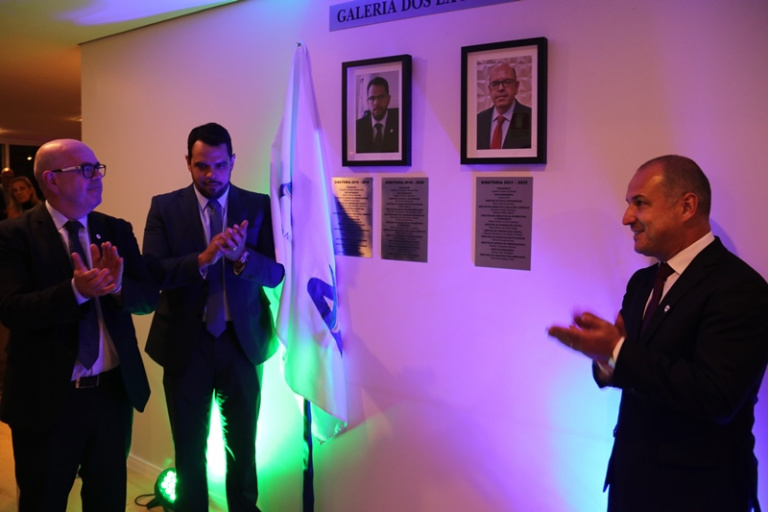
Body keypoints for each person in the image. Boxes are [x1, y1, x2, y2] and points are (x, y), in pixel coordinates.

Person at [547, 155, 768, 512]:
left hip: (699, 497)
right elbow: (635, 372)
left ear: (687, 207)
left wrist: (618, 350)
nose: (626, 218)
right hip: (630, 488)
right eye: (628, 204)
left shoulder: (740, 288)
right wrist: (605, 359)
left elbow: (716, 397)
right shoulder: (642, 282)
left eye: (640, 203)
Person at [0, 139, 158, 511]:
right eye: (85, 170)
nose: (97, 176)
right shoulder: (12, 236)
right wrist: (75, 292)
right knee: (44, 500)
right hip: (47, 400)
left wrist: (117, 287)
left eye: (97, 168)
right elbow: (12, 310)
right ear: (51, 180)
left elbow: (148, 298)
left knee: (107, 500)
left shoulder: (116, 229)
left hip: (111, 395)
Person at [143, 122, 285, 512]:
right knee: (188, 445)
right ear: (188, 162)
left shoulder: (258, 206)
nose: (212, 174)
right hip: (184, 344)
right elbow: (152, 272)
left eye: (220, 165)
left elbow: (276, 273)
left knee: (243, 443)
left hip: (242, 343)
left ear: (233, 161)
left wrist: (242, 257)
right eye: (202, 165)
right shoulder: (164, 207)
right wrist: (202, 260)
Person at [476, 62, 532, 150]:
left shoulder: (532, 119)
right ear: (489, 90)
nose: (501, 88)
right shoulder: (478, 121)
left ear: (516, 87)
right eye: (495, 83)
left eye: (507, 82)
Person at [355, 76, 399, 153]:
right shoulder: (357, 127)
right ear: (367, 102)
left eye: (381, 97)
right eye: (372, 98)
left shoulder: (400, 124)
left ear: (388, 99)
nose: (376, 103)